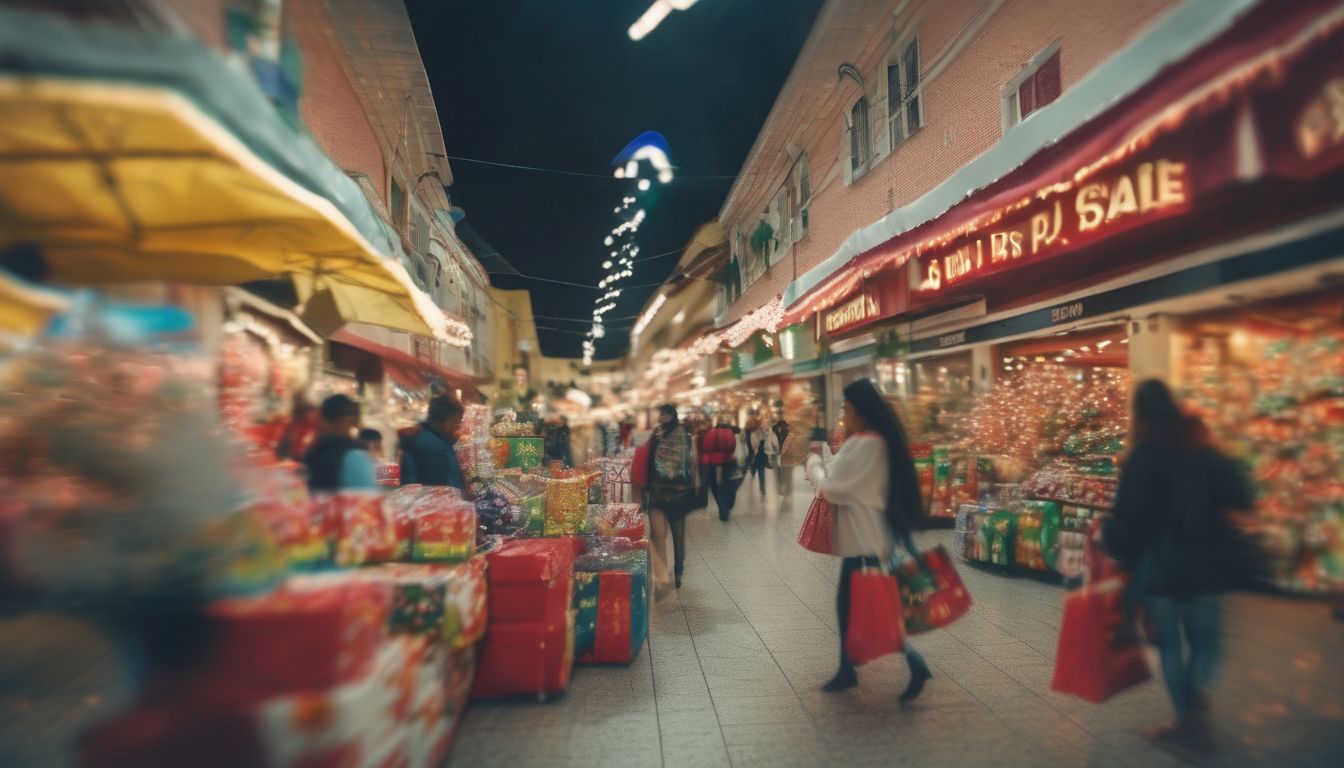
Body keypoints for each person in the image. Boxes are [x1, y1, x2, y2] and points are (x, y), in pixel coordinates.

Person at [1103, 380, 1262, 760]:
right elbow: (1241, 493)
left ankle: (1187, 724)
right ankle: (1195, 714)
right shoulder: (1201, 445)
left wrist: (1113, 546)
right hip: (1208, 564)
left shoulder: (1143, 455)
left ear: (1139, 411)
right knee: (1208, 643)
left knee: (1171, 645)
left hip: (1163, 570)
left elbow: (1127, 519)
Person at [806, 379, 932, 701]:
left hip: (864, 544)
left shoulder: (868, 444)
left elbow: (833, 486)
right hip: (868, 541)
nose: (844, 416)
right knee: (862, 607)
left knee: (869, 609)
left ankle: (909, 664)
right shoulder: (870, 441)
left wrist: (814, 464)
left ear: (860, 411)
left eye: (847, 409)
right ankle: (849, 668)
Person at [645, 404, 698, 590]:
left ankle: (677, 570)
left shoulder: (673, 436)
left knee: (676, 533)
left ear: (669, 416)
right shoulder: (658, 435)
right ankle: (664, 573)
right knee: (661, 534)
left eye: (663, 414)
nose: (661, 417)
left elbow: (689, 462)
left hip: (671, 492)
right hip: (663, 491)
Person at [303, 394, 379, 492]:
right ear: (353, 421)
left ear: (322, 420)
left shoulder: (311, 453)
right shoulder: (355, 458)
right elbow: (368, 501)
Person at [398, 394, 466, 489]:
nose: (458, 427)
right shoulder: (434, 446)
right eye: (456, 422)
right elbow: (441, 487)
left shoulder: (432, 437)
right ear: (446, 422)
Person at [700, 418, 741, 521]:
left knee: (715, 485)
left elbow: (705, 446)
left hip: (711, 462)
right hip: (727, 461)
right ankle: (726, 507)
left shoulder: (710, 432)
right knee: (726, 484)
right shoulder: (729, 432)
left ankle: (721, 507)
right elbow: (733, 447)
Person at [276, 395, 319, 462]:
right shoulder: (295, 425)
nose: (313, 415)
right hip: (296, 459)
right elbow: (284, 446)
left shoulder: (317, 425)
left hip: (308, 459)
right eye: (310, 413)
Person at [747, 419, 780, 495]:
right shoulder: (760, 433)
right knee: (761, 471)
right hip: (760, 453)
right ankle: (762, 488)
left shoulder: (762, 433)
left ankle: (762, 488)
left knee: (761, 471)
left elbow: (767, 443)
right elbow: (757, 443)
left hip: (761, 453)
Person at [772, 414, 792, 495]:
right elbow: (773, 442)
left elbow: (787, 442)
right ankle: (780, 485)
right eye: (781, 426)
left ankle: (784, 485)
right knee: (779, 470)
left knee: (783, 470)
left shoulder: (786, 433)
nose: (782, 428)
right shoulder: (775, 433)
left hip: (784, 453)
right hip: (778, 453)